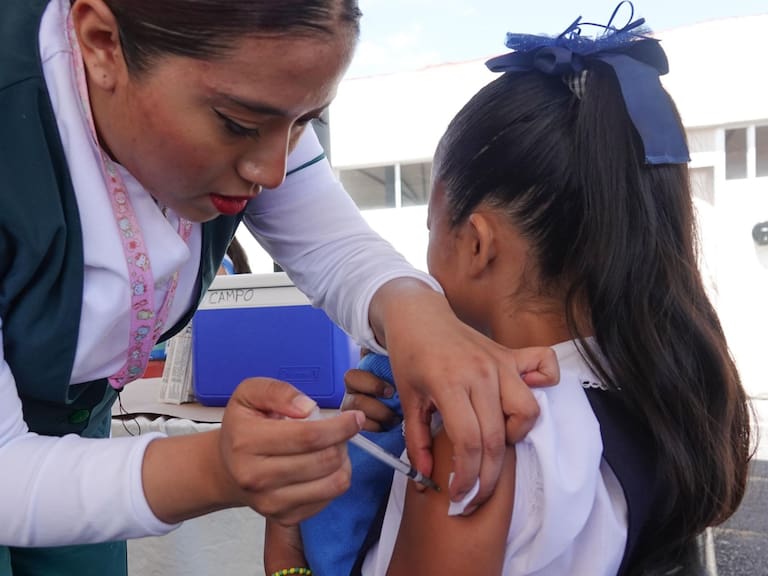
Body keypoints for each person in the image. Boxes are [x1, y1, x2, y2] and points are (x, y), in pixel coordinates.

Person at [0, 1, 560, 574]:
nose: (271, 172)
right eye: (238, 125)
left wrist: (420, 317)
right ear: (101, 43)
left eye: (305, 123)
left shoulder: (255, 95)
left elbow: (334, 245)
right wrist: (211, 470)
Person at [264, 5, 753, 575]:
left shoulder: (479, 434)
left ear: (477, 244)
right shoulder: (652, 391)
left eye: (431, 226)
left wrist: (287, 547)